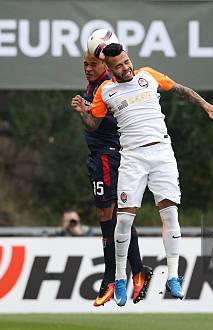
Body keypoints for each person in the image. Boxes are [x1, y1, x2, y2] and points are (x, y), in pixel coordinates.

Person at [71, 43, 213, 306]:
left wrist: (206, 106)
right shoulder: (106, 90)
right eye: (119, 66)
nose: (126, 67)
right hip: (132, 158)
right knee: (122, 221)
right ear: (110, 71)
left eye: (127, 62)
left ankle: (173, 276)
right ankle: (121, 278)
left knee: (170, 213)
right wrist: (83, 112)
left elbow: (181, 89)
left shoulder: (147, 75)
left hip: (162, 153)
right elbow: (94, 124)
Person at [69, 52, 152, 307]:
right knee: (112, 218)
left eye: (92, 64)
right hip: (98, 157)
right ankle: (133, 271)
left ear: (104, 64)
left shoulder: (110, 87)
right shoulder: (94, 86)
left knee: (112, 217)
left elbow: (111, 120)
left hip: (109, 155)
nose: (87, 68)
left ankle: (115, 276)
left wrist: (85, 112)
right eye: (85, 64)